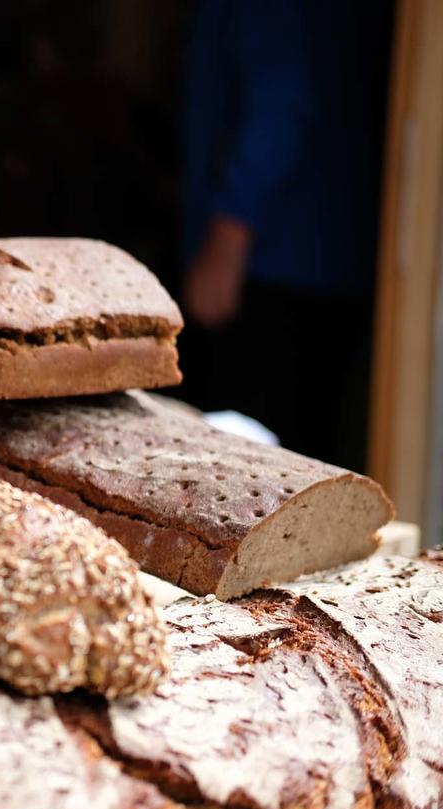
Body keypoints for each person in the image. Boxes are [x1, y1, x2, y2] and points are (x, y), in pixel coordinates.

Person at [178, 0, 391, 472]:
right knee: (299, 453)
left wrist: (229, 233)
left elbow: (282, 105)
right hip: (324, 257)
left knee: (243, 466)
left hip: (270, 262)